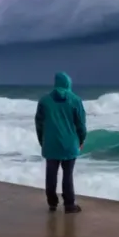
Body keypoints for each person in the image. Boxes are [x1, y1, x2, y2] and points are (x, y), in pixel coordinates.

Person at [35, 71, 87, 213]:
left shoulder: (44, 101)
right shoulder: (75, 100)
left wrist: (42, 140)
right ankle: (69, 205)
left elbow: (39, 124)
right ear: (68, 83)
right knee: (67, 174)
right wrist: (82, 139)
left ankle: (52, 203)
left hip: (51, 143)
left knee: (51, 174)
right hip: (70, 144)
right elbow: (81, 124)